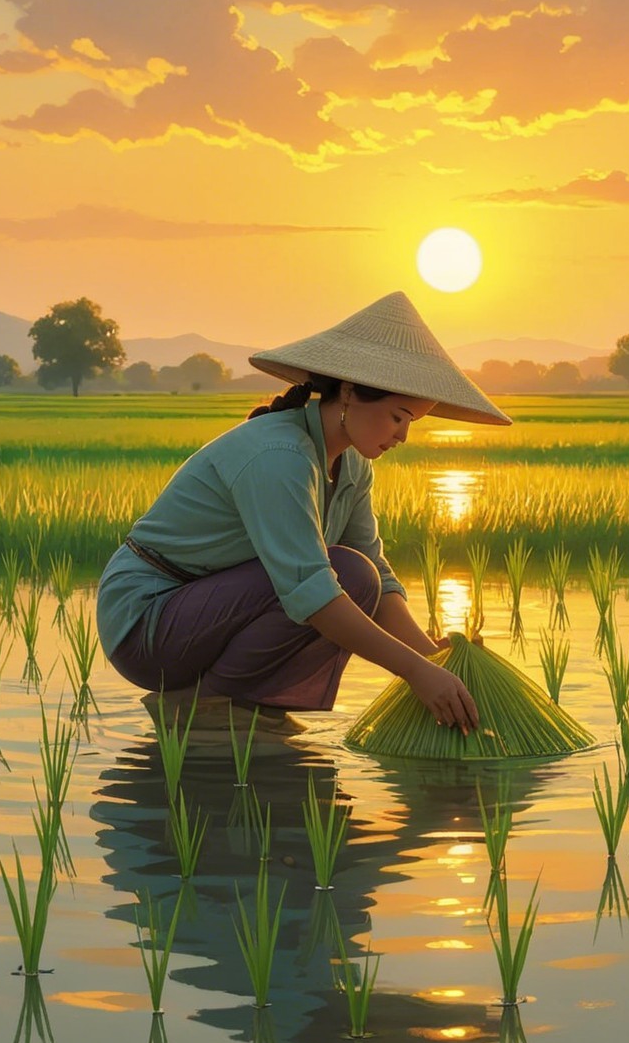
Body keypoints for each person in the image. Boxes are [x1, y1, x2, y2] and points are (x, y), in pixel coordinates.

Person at [96, 291, 511, 734]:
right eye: (397, 417)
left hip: (203, 612)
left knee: (361, 573)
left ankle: (240, 706)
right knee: (347, 575)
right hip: (146, 623)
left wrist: (432, 657)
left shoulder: (352, 463)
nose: (404, 435)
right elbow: (311, 590)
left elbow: (380, 580)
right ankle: (210, 706)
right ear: (349, 392)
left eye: (413, 422)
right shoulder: (279, 455)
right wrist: (415, 672)